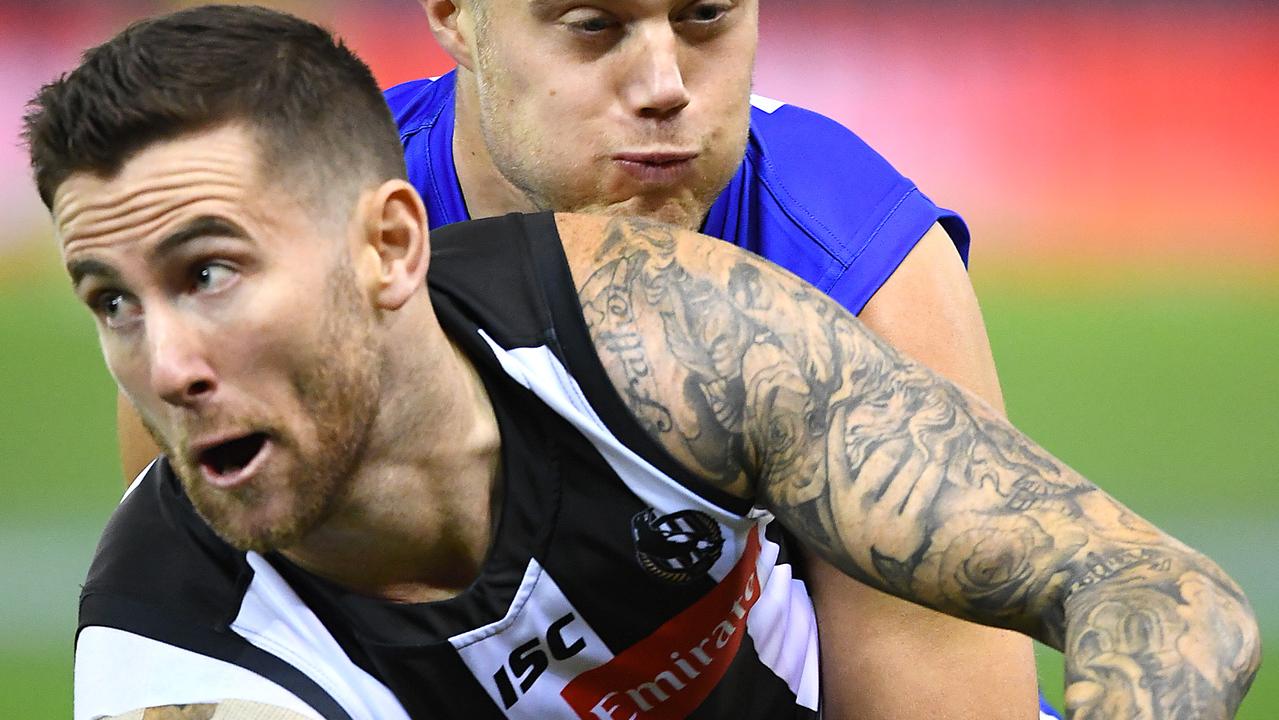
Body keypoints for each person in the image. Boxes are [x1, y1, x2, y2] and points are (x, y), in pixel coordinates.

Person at [29, 7, 1259, 720]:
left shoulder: (815, 263)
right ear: (455, 11)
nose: (665, 86)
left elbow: (1054, 647)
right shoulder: (261, 262)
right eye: (595, 24)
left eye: (707, 18)